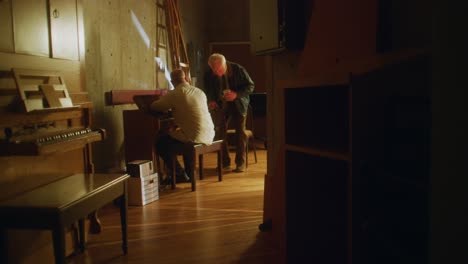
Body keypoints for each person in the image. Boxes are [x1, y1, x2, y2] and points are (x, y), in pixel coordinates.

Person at [150, 68, 215, 183]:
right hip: (209, 133)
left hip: (194, 137)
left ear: (172, 82)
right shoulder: (199, 92)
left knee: (160, 143)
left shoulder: (176, 93)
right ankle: (188, 173)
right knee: (183, 136)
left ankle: (179, 174)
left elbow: (155, 106)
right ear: (185, 78)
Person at [203, 53, 254, 172]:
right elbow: (208, 90)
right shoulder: (209, 73)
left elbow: (251, 86)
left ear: (225, 64)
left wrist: (236, 94)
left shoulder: (238, 69)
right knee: (220, 132)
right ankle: (225, 163)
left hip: (238, 103)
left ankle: (240, 163)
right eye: (214, 70)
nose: (217, 73)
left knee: (240, 132)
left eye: (219, 69)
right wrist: (211, 100)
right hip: (222, 105)